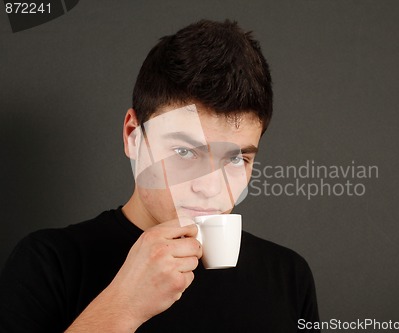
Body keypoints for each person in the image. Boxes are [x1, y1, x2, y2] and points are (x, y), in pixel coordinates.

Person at [0, 19, 320, 332]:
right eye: (185, 152)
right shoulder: (48, 264)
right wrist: (122, 308)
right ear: (132, 136)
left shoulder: (288, 275)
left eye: (236, 158)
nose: (212, 188)